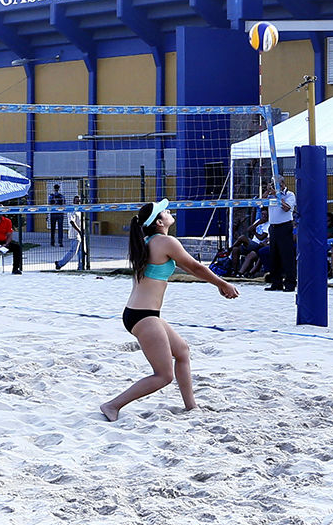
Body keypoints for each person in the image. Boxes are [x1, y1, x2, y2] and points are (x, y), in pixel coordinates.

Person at [101, 200, 239, 422]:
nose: (169, 212)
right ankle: (112, 405)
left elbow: (191, 268)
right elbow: (196, 267)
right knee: (163, 376)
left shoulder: (148, 241)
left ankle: (191, 407)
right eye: (164, 212)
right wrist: (222, 284)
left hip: (140, 313)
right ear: (158, 222)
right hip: (143, 316)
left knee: (182, 351)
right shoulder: (165, 241)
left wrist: (218, 285)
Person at [264, 177, 297, 291]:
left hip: (284, 226)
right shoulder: (270, 195)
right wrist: (268, 191)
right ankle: (276, 283)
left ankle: (290, 283)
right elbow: (260, 201)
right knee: (274, 256)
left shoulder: (290, 195)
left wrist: (276, 195)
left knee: (287, 256)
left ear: (283, 183)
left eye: (278, 184)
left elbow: (286, 208)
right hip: (273, 227)